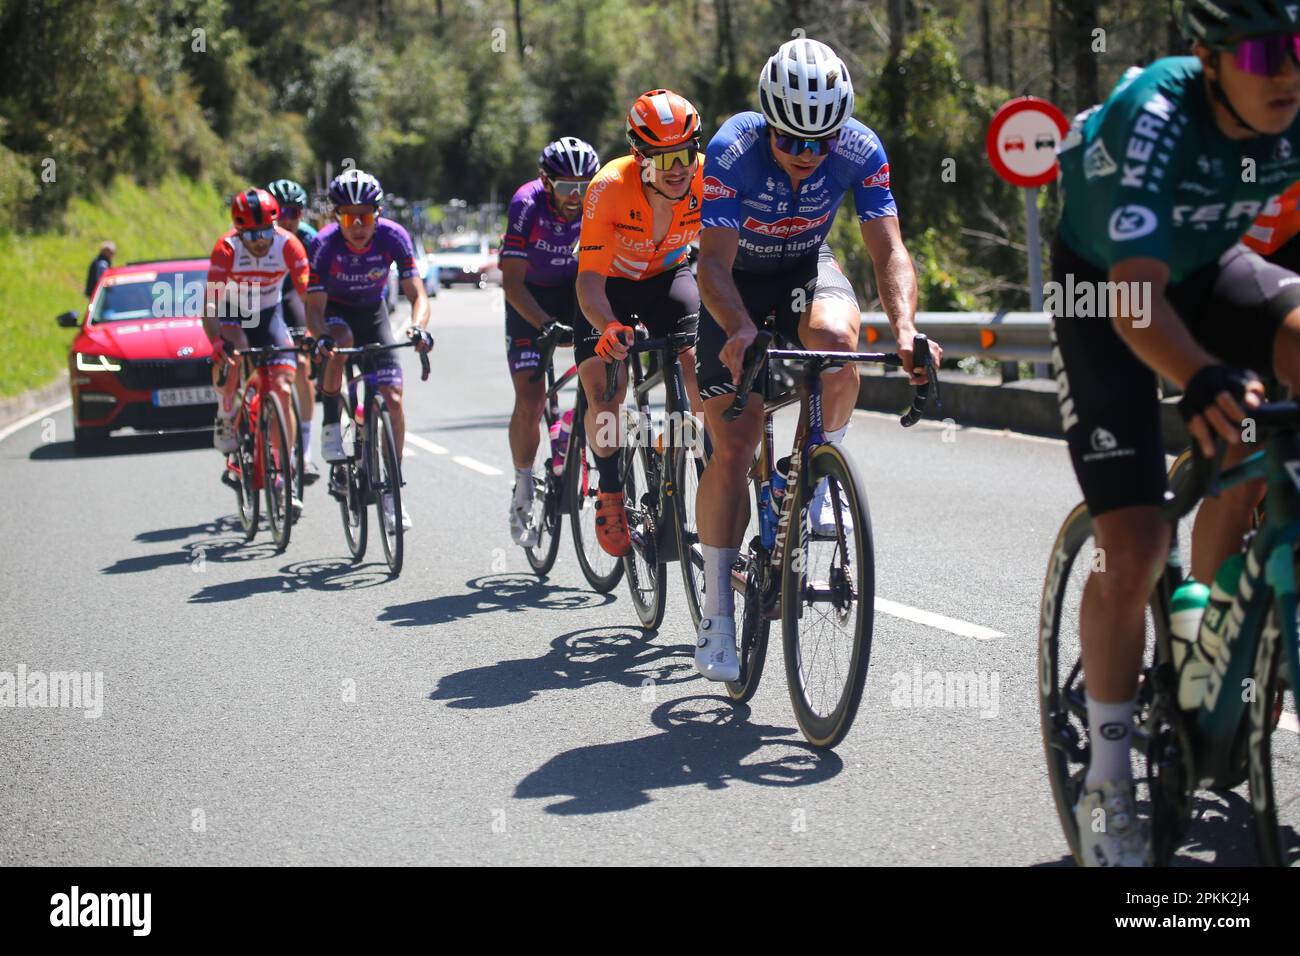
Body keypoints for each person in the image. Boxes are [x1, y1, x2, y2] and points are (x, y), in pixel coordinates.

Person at [1050, 0, 1300, 865]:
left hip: (1209, 261)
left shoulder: (1291, 103)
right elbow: (1136, 301)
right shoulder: (1154, 118)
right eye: (1267, 51)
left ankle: (1236, 609)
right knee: (1140, 540)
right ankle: (1110, 778)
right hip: (1108, 288)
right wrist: (1196, 374)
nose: (1288, 71)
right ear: (1209, 57)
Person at [693, 38, 936, 682]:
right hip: (736, 286)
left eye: (819, 143)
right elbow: (710, 264)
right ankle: (718, 611)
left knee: (837, 342)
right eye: (791, 142)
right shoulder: (732, 150)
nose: (805, 157)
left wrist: (908, 329)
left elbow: (889, 252)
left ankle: (814, 474)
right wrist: (740, 327)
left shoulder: (861, 150)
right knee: (735, 446)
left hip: (804, 267)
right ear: (768, 124)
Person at [576, 90, 706, 558]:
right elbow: (588, 281)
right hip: (610, 286)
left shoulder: (707, 178)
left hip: (668, 276)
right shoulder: (608, 187)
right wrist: (607, 325)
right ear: (639, 155)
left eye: (686, 153)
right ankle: (610, 489)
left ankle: (709, 459)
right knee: (604, 392)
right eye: (664, 157)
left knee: (699, 363)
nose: (678, 168)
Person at [306, 168, 433, 533]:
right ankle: (331, 422)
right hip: (336, 312)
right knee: (341, 343)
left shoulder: (394, 237)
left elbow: (417, 293)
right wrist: (321, 337)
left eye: (366, 216)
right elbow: (313, 308)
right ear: (336, 217)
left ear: (378, 214)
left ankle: (393, 493)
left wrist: (418, 326)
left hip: (373, 312)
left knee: (392, 398)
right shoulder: (325, 244)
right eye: (349, 217)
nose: (358, 225)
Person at [503, 137, 600, 547]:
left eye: (584, 187)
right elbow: (510, 281)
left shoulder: (597, 202)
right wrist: (544, 323)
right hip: (531, 297)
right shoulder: (526, 205)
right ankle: (523, 486)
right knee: (530, 398)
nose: (576, 198)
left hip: (575, 291)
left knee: (603, 379)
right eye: (566, 189)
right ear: (546, 183)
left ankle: (597, 463)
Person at [205, 188, 309, 514]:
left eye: (266, 232)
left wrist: (313, 332)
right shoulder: (226, 249)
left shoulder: (288, 243)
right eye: (252, 234)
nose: (260, 241)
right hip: (235, 311)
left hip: (269, 311)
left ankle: (285, 470)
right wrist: (217, 343)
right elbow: (210, 305)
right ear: (239, 230)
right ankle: (226, 412)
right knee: (235, 354)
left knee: (281, 386)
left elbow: (309, 294)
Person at [267, 178, 321, 484]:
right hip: (257, 297)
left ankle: (304, 452)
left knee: (300, 364)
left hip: (293, 296)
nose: (288, 218)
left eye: (295, 212)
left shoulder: (309, 239)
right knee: (252, 364)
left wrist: (318, 329)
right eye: (281, 211)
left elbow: (317, 290)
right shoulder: (256, 237)